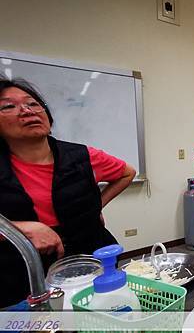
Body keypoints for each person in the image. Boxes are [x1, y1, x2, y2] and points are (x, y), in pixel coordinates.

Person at [0, 78, 136, 308]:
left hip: (87, 262)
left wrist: (96, 206)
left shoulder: (82, 156)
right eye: (8, 106)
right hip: (18, 275)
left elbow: (126, 173)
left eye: (33, 104)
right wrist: (20, 230)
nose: (26, 110)